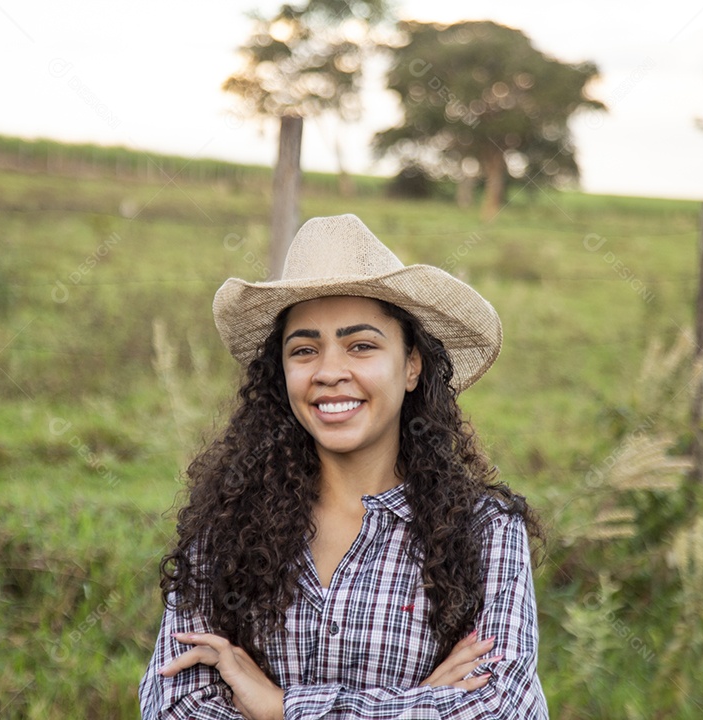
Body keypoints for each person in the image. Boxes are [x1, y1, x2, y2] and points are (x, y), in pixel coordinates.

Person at [139, 214, 548, 719]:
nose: (330, 372)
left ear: (412, 365)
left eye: (361, 345)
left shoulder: (484, 531)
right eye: (305, 350)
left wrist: (278, 707)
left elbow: (503, 709)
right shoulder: (226, 523)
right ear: (281, 372)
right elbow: (174, 706)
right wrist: (421, 704)